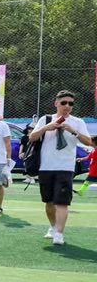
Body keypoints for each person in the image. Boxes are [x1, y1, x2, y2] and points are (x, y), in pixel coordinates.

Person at [29, 90, 93, 245]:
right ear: (56, 103)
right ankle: (53, 226)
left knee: (62, 202)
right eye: (64, 102)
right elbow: (32, 137)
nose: (67, 106)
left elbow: (88, 142)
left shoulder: (78, 122)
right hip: (46, 166)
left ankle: (59, 233)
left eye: (71, 103)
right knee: (49, 202)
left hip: (66, 168)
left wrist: (73, 131)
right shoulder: (45, 119)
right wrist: (46, 128)